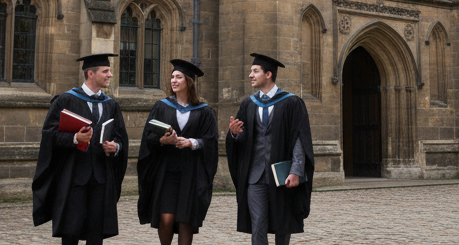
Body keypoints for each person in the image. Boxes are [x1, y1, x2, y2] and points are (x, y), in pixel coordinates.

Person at [32, 53, 129, 245]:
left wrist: (115, 146)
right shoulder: (66, 100)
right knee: (71, 229)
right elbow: (49, 134)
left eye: (109, 71)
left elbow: (121, 138)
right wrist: (75, 138)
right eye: (106, 71)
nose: (110, 75)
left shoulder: (110, 104)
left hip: (101, 177)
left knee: (96, 231)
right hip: (74, 176)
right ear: (90, 73)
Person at [225, 53, 315, 245]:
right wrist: (234, 134)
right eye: (251, 71)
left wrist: (296, 171)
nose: (250, 75)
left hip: (282, 175)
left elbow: (299, 139)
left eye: (255, 71)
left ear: (268, 74)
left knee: (283, 226)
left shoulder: (291, 102)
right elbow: (243, 139)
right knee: (258, 225)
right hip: (254, 176)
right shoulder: (248, 104)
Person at [137, 59, 219, 245]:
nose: (173, 80)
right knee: (166, 219)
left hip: (191, 172)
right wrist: (162, 140)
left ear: (188, 81)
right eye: (172, 77)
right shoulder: (162, 106)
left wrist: (191, 142)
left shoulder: (205, 111)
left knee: (185, 219)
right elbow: (148, 137)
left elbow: (211, 141)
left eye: (178, 77)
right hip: (167, 171)